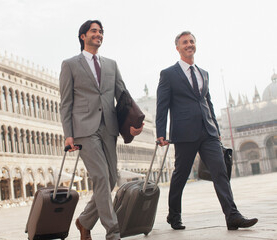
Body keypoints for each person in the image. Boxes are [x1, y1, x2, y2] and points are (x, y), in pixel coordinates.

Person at [155, 31, 258, 231]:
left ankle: (232, 216)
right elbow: (162, 105)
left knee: (220, 172)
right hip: (184, 133)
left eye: (192, 41)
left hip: (208, 132)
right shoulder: (168, 74)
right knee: (180, 176)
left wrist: (216, 129)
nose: (189, 44)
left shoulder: (204, 73)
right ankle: (174, 215)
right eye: (185, 42)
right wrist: (161, 132)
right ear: (177, 47)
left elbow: (208, 102)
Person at [59, 20, 143, 240]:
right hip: (85, 130)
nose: (98, 34)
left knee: (111, 177)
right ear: (82, 36)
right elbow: (66, 102)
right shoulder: (70, 64)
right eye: (94, 31)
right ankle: (113, 231)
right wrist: (68, 134)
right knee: (100, 177)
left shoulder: (111, 64)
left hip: (110, 127)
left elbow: (123, 97)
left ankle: (84, 221)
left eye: (101, 32)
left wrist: (133, 123)